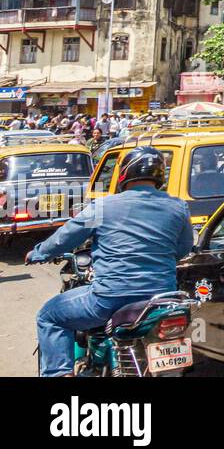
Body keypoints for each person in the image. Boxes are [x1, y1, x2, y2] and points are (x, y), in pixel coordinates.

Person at [26, 147, 193, 376]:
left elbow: (64, 238)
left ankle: (58, 373)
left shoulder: (102, 206)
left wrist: (38, 253)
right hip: (161, 298)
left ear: (124, 173)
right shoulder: (179, 207)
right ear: (159, 175)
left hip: (110, 298)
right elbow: (182, 249)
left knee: (50, 315)